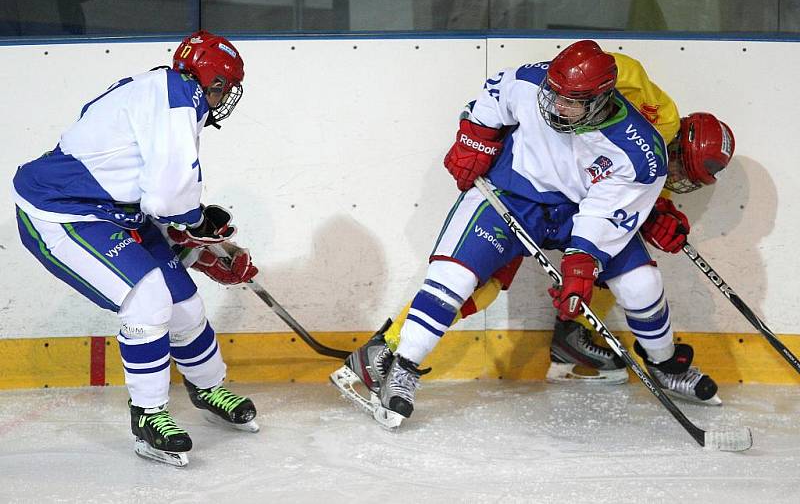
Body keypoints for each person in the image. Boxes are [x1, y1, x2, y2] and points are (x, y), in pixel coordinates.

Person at [333, 40, 729, 426]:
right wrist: (475, 138)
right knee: (454, 277)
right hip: (512, 191)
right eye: (554, 94)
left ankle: (663, 365)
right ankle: (400, 364)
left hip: (578, 207)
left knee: (642, 282)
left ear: (600, 100)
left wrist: (581, 265)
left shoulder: (641, 151)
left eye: (570, 101)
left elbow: (604, 212)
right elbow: (494, 97)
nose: (555, 105)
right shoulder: (535, 83)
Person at [13, 30, 259, 467]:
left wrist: (194, 245)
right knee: (148, 302)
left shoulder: (165, 90)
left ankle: (206, 385)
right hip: (63, 213)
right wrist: (196, 226)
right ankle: (147, 415)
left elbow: (150, 189)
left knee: (183, 303)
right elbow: (167, 200)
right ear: (210, 80)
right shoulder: (179, 100)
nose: (224, 96)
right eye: (223, 86)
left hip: (115, 210)